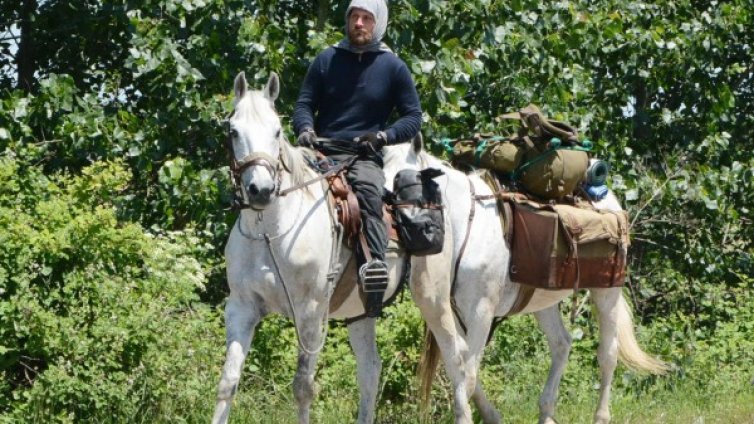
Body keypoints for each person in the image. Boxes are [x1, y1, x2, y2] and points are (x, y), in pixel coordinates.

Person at [293, 0, 422, 318]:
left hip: (362, 155)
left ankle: (375, 267)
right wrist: (305, 128)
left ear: (378, 23)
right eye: (355, 17)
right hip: (319, 151)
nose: (360, 24)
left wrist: (383, 137)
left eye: (367, 18)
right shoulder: (327, 59)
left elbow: (412, 117)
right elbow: (304, 103)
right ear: (347, 20)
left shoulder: (393, 67)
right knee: (279, 182)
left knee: (368, 192)